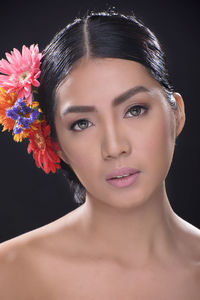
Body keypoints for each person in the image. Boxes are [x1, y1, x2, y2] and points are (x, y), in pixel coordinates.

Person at [0, 9, 199, 299]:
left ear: (176, 113)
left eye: (135, 110)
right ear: (56, 145)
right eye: (82, 123)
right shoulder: (11, 272)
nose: (115, 147)